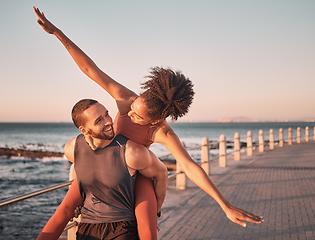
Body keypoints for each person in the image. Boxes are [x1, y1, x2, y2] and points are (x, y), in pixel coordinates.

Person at [33, 6, 263, 238]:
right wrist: (57, 33)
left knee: (146, 228)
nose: (128, 114)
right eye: (132, 107)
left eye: (137, 116)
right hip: (104, 164)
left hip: (135, 171)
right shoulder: (126, 99)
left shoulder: (163, 132)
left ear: (154, 120)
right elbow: (89, 69)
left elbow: (190, 167)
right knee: (63, 210)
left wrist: (225, 206)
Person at [36, 99, 167, 240]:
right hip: (88, 226)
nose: (108, 121)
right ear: (83, 130)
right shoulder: (72, 149)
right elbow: (86, 173)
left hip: (122, 227)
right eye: (99, 120)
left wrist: (156, 212)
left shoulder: (131, 151)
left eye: (107, 114)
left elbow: (161, 173)